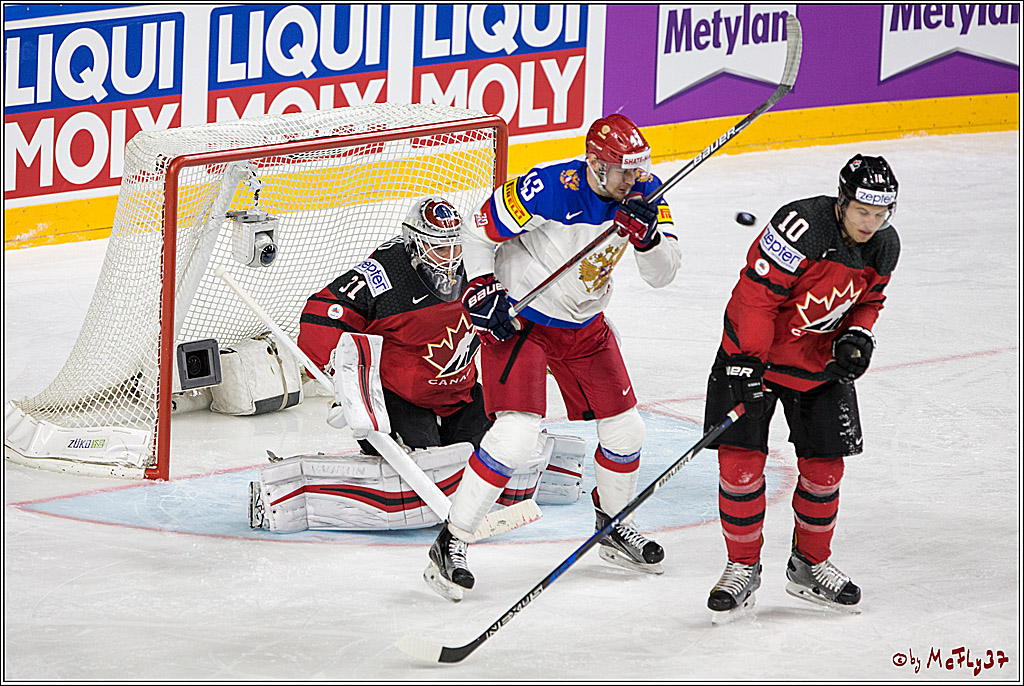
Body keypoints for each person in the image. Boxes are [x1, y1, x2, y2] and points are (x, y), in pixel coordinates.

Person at [421, 113, 682, 601]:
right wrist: (481, 286)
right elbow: (477, 232)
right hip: (524, 319)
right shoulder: (547, 188)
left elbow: (662, 274)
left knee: (627, 431)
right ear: (596, 165)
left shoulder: (647, 193)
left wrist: (648, 240)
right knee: (516, 436)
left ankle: (613, 525)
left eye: (639, 168)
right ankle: (451, 541)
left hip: (584, 324)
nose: (634, 178)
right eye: (623, 170)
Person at [702, 154, 901, 617]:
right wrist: (747, 364)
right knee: (740, 468)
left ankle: (810, 565)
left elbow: (870, 300)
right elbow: (755, 298)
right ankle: (741, 567)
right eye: (862, 212)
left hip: (818, 366)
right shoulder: (801, 226)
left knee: (825, 471)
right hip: (751, 356)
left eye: (880, 214)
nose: (870, 223)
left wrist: (858, 334)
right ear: (842, 202)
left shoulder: (884, 244)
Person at [297, 195, 491, 455]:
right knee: (423, 457)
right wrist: (342, 383)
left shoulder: (478, 262)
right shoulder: (386, 273)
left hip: (460, 394)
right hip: (400, 398)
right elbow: (327, 310)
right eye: (440, 248)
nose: (452, 258)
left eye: (456, 246)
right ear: (415, 243)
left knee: (493, 449)